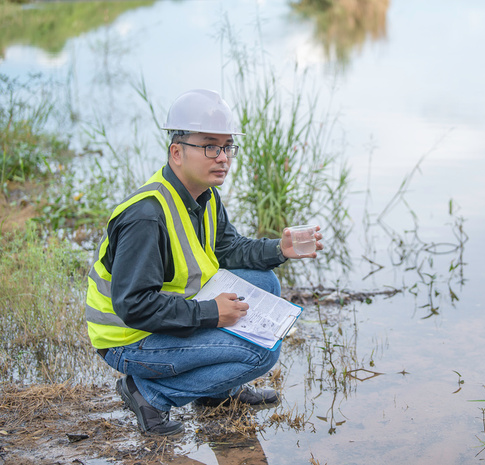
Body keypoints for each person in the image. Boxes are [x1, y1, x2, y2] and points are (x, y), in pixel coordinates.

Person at [85, 89, 322, 436]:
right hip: (129, 340)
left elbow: (229, 250)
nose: (223, 157)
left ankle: (216, 392)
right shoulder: (146, 217)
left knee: (266, 283)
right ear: (176, 152)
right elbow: (133, 306)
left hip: (166, 318)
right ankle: (148, 393)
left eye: (227, 147)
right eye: (210, 146)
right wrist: (211, 313)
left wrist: (279, 249)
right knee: (261, 353)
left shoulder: (205, 196)